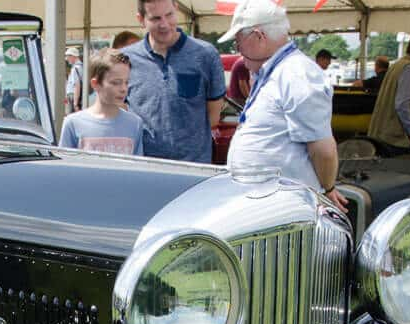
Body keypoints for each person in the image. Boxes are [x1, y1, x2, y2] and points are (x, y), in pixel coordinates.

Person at [218, 0, 348, 213]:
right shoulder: (277, 72)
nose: (238, 49)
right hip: (263, 205)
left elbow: (323, 149)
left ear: (258, 36)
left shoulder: (297, 74)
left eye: (238, 42)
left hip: (282, 210)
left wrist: (328, 188)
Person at [124, 0, 225, 162]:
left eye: (169, 15)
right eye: (156, 18)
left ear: (176, 9)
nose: (164, 24)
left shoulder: (206, 54)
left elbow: (213, 117)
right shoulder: (126, 60)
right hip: (144, 169)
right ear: (141, 20)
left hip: (194, 170)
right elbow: (122, 114)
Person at [59, 49, 144, 156]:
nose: (123, 89)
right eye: (116, 83)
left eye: (126, 82)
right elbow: (65, 168)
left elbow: (137, 168)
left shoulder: (135, 124)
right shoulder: (72, 123)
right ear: (95, 84)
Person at [367, 33, 410, 154]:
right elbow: (402, 104)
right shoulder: (409, 68)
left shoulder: (397, 65)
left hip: (381, 133)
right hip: (394, 138)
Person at [64, 47, 84, 113]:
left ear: (73, 56)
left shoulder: (75, 69)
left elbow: (76, 86)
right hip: (76, 97)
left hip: (73, 97)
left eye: (68, 56)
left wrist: (75, 104)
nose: (67, 59)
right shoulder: (81, 67)